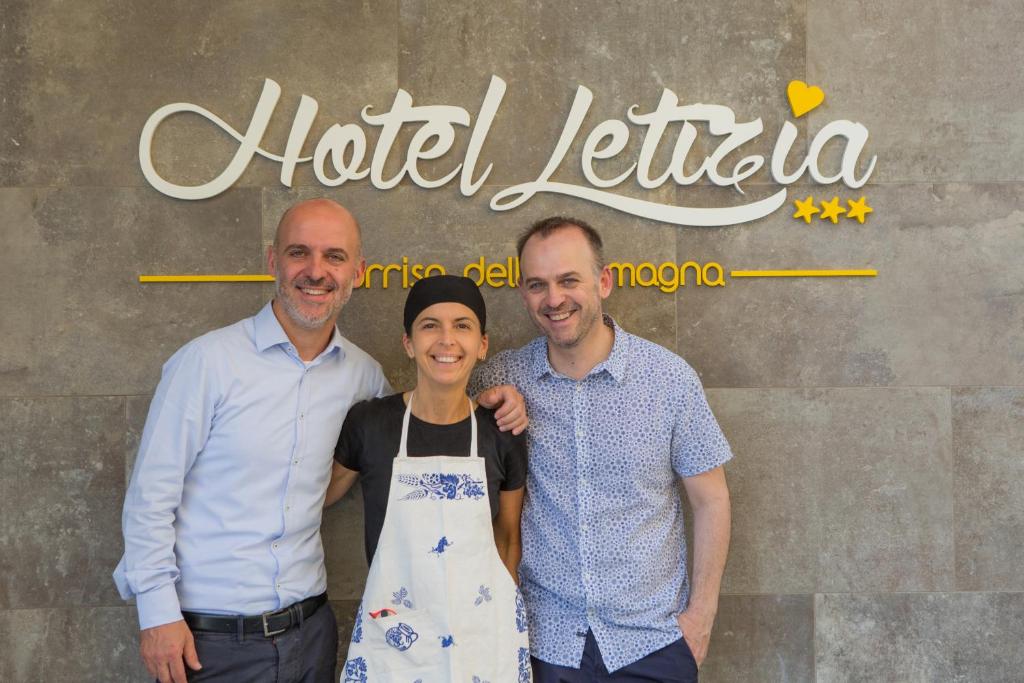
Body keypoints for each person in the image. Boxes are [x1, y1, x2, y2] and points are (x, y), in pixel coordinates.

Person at [113, 199, 527, 683]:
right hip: (211, 638)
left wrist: (491, 399)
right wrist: (157, 612)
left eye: (334, 256)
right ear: (273, 262)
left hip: (311, 632)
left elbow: (435, 408)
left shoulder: (362, 377)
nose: (316, 271)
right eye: (298, 253)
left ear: (357, 271)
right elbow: (150, 497)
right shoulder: (207, 363)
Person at [470, 216, 733, 683]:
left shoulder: (668, 379)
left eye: (569, 280)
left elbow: (711, 499)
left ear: (603, 281)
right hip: (544, 645)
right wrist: (478, 403)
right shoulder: (502, 376)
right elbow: (437, 432)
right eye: (537, 285)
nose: (554, 299)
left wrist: (701, 620)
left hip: (653, 643)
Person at [326, 275, 532, 683]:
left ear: (482, 344)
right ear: (408, 343)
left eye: (462, 325)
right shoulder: (370, 424)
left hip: (480, 645)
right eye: (429, 325)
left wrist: (494, 629)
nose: (446, 340)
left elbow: (508, 539)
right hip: (397, 645)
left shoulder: (501, 432)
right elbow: (316, 496)